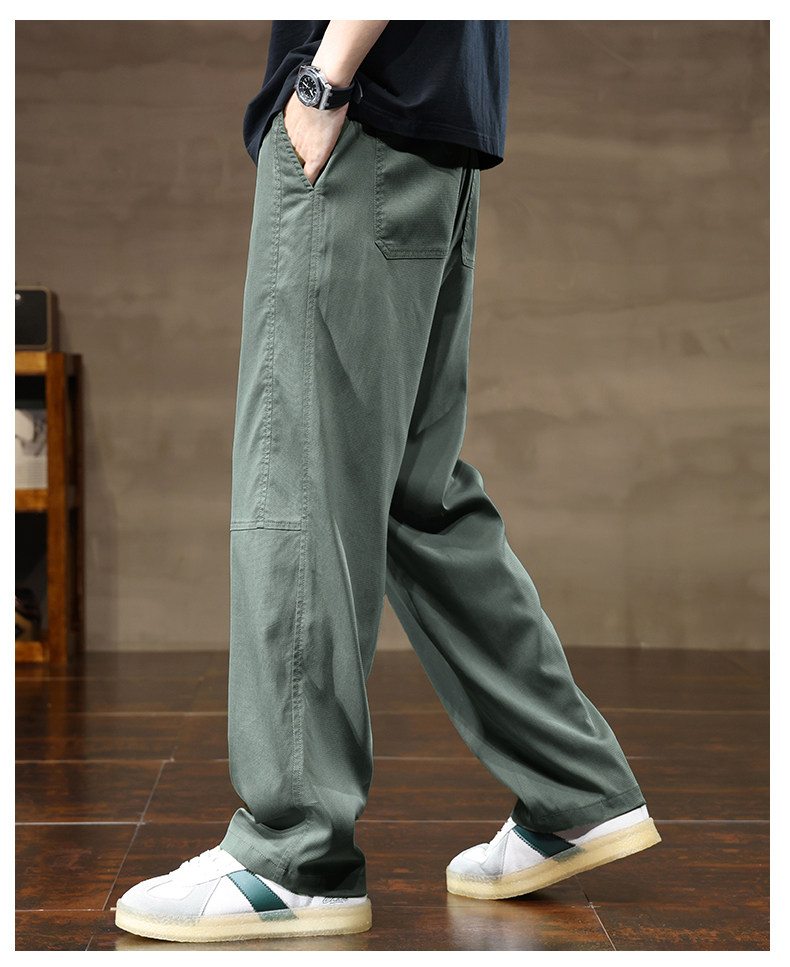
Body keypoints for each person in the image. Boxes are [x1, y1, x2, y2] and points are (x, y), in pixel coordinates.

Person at [115, 20, 660, 943]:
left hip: (359, 122)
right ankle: (576, 789)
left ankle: (292, 854)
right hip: (438, 141)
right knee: (417, 494)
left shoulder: (338, 98)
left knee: (300, 475)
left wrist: (322, 83)